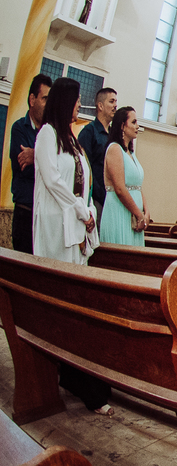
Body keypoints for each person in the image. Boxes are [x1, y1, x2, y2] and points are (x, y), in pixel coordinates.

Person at [34, 77, 110, 415]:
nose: (81, 105)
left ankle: (77, 373)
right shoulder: (47, 134)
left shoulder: (72, 139)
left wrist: (89, 210)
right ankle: (67, 372)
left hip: (77, 226)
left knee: (75, 302)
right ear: (65, 101)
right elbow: (52, 180)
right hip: (57, 226)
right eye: (78, 100)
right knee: (62, 301)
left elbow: (84, 183)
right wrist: (81, 209)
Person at [9, 73, 52, 253]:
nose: (48, 105)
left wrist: (35, 155)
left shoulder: (51, 132)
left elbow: (55, 168)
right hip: (25, 212)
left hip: (45, 215)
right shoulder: (19, 128)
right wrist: (46, 160)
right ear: (32, 99)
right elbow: (25, 168)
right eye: (45, 99)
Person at [99, 106, 147, 246]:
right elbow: (119, 189)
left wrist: (146, 211)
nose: (137, 126)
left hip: (134, 213)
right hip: (119, 212)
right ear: (122, 126)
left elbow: (137, 185)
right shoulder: (115, 149)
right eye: (133, 122)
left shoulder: (130, 153)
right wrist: (138, 214)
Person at [77, 86, 117, 227]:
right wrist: (98, 195)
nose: (115, 106)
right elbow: (84, 168)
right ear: (100, 106)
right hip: (95, 199)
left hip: (112, 199)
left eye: (116, 102)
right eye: (111, 101)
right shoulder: (89, 132)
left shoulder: (113, 135)